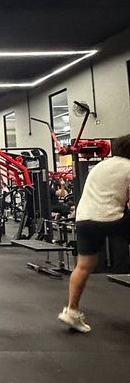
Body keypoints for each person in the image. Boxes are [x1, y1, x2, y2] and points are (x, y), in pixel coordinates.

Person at [58, 135, 130, 333]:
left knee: (83, 266)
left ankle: (71, 311)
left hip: (85, 219)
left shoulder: (100, 166)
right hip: (111, 218)